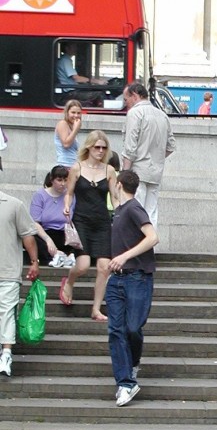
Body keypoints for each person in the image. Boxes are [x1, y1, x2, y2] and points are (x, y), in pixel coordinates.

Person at [105, 169, 159, 407]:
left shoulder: (134, 208)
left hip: (137, 277)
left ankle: (132, 365)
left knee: (132, 328)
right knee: (116, 330)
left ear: (118, 185)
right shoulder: (119, 211)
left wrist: (124, 256)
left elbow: (152, 237)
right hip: (117, 278)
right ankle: (125, 383)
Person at [61, 130, 118, 321]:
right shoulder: (77, 168)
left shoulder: (109, 170)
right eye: (97, 147)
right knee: (83, 264)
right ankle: (69, 281)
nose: (100, 151)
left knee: (104, 267)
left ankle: (96, 309)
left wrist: (121, 212)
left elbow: (114, 197)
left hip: (102, 221)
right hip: (82, 220)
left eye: (104, 147)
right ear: (89, 147)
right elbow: (69, 192)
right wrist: (67, 206)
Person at [121, 81, 176, 228]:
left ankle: (136, 246)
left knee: (134, 210)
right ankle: (150, 246)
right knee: (151, 212)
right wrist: (156, 158)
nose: (126, 104)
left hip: (137, 170)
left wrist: (125, 173)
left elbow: (130, 148)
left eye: (126, 99)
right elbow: (171, 146)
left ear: (134, 95)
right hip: (156, 171)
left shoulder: (135, 113)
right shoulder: (162, 115)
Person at [0, 189, 40, 377]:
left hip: (8, 270)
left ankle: (6, 354)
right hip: (8, 270)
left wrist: (34, 262)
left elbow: (27, 235)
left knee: (7, 313)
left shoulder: (14, 204)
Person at [30, 165, 78, 266]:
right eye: (59, 180)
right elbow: (35, 222)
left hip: (64, 233)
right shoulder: (40, 195)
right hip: (45, 233)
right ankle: (57, 255)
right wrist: (48, 239)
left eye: (65, 180)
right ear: (52, 180)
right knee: (29, 237)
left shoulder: (70, 196)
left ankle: (65, 256)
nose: (63, 184)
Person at [55, 41, 106, 106]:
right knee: (99, 94)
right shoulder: (65, 61)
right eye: (73, 46)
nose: (76, 49)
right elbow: (76, 78)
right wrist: (97, 81)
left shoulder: (65, 60)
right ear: (67, 48)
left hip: (72, 90)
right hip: (70, 92)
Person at [54, 99, 82, 165]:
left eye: (78, 113)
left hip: (73, 164)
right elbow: (66, 144)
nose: (76, 116)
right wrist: (75, 129)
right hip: (64, 165)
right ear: (67, 112)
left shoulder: (72, 127)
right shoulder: (62, 124)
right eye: (73, 112)